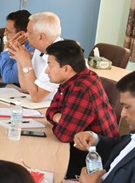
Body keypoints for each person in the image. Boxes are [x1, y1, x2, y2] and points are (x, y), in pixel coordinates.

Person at [43, 40, 119, 174]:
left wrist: (60, 119)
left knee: (41, 161)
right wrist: (58, 117)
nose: (46, 70)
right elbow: (51, 111)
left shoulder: (82, 88)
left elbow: (64, 134)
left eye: (50, 65)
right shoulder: (74, 79)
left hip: (94, 161)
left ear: (66, 69)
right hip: (79, 148)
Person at [9, 12, 63, 103]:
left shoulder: (60, 55)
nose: (26, 35)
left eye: (29, 32)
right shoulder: (39, 50)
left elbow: (36, 97)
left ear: (41, 37)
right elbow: (26, 89)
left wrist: (26, 63)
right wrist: (20, 59)